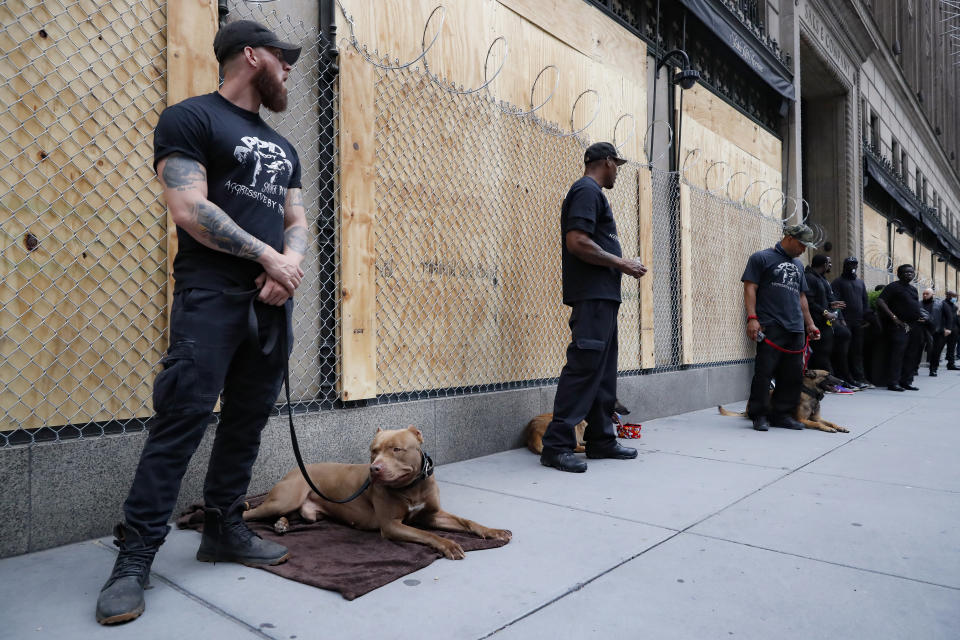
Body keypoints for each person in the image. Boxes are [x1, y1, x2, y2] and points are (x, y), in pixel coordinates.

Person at [95, 20, 307, 625]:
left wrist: (286, 266)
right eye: (281, 56)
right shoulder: (190, 118)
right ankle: (133, 560)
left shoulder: (285, 147)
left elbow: (295, 218)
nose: (289, 67)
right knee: (181, 422)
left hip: (271, 302)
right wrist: (265, 257)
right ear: (249, 55)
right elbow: (189, 208)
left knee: (246, 421)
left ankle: (223, 530)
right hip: (210, 296)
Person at [539, 142, 648, 473]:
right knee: (585, 365)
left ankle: (600, 440)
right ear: (606, 162)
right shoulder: (586, 190)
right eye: (617, 165)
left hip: (603, 297)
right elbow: (577, 241)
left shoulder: (595, 194)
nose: (618, 171)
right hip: (591, 295)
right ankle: (556, 445)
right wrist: (622, 263)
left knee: (602, 371)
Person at [742, 224, 821, 431]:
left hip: (795, 328)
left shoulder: (798, 265)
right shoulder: (761, 258)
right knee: (764, 372)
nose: (804, 250)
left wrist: (810, 324)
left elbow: (801, 296)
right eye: (802, 244)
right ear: (789, 238)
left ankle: (782, 415)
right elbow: (750, 288)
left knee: (792, 375)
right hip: (770, 325)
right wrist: (752, 318)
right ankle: (759, 414)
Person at [876, 265, 925, 391]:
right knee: (898, 354)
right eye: (906, 272)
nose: (909, 274)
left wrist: (919, 315)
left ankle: (906, 381)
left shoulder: (913, 289)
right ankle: (893, 382)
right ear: (899, 274)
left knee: (911, 354)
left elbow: (913, 305)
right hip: (900, 325)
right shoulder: (893, 286)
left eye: (911, 272)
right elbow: (881, 301)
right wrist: (893, 317)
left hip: (913, 325)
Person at [831, 256, 872, 387]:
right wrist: (841, 320)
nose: (853, 267)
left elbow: (865, 302)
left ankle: (859, 377)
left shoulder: (860, 283)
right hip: (845, 323)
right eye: (850, 264)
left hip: (858, 323)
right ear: (845, 266)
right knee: (844, 352)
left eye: (855, 265)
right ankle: (845, 377)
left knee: (857, 351)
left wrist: (868, 318)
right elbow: (835, 304)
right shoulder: (838, 282)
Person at [804, 255, 846, 379]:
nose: (831, 265)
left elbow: (820, 299)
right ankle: (828, 382)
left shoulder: (821, 279)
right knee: (821, 353)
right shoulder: (809, 278)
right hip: (815, 323)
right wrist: (825, 312)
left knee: (826, 352)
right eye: (829, 262)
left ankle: (830, 380)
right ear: (824, 264)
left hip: (824, 323)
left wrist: (830, 305)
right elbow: (809, 302)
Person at [920, 288, 953, 376]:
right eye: (923, 293)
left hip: (938, 331)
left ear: (932, 295)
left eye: (927, 294)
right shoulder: (919, 303)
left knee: (936, 351)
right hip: (922, 330)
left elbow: (949, 317)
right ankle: (915, 369)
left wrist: (948, 328)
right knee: (918, 350)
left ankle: (933, 369)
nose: (925, 295)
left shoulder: (941, 303)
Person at [945, 291, 959, 371]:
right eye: (954, 297)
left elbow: (954, 318)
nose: (955, 299)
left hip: (953, 330)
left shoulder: (954, 306)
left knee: (952, 347)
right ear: (949, 296)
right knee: (938, 348)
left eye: (956, 297)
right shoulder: (943, 304)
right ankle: (933, 367)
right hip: (945, 329)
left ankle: (951, 364)